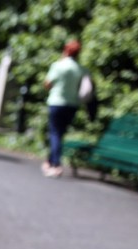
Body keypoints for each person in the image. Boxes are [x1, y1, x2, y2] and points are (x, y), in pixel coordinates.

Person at [42, 39, 87, 178]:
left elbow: (48, 83)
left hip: (56, 102)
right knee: (59, 134)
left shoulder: (58, 65)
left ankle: (56, 165)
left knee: (54, 134)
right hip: (72, 105)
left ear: (66, 50)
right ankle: (50, 162)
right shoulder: (80, 69)